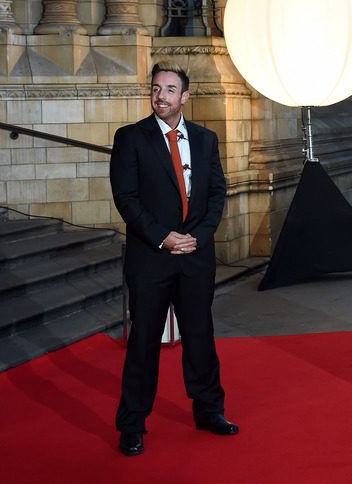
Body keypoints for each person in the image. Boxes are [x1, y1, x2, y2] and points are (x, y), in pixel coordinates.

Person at [110, 64, 239, 456]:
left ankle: (209, 411)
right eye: (155, 88)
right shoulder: (130, 138)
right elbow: (126, 198)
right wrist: (163, 237)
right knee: (144, 343)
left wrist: (197, 237)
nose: (160, 96)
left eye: (169, 89)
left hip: (195, 257)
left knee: (200, 338)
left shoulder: (205, 140)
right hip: (151, 258)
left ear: (185, 96)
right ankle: (132, 424)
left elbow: (217, 193)